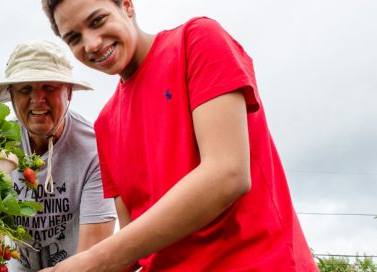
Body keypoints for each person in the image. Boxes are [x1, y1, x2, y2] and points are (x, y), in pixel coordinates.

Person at [38, 0, 318, 271]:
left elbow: (227, 174)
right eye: (74, 38)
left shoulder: (195, 40)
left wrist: (90, 261)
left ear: (127, 5)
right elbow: (133, 244)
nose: (92, 44)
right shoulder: (105, 123)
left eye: (97, 21)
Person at [0, 40, 117, 271]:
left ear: (69, 93)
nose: (38, 99)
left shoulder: (94, 150)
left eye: (49, 87)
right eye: (25, 89)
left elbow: (93, 253)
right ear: (12, 96)